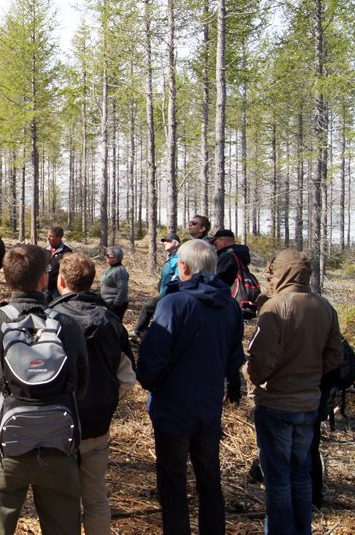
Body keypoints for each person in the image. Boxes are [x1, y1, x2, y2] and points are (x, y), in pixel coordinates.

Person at [0, 244, 87, 534]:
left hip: (5, 448)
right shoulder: (68, 326)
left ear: (6, 278)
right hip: (59, 446)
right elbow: (80, 385)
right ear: (44, 279)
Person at [136, 239, 245, 535]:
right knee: (209, 480)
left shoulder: (174, 302)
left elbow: (152, 358)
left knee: (173, 484)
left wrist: (152, 384)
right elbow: (234, 358)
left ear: (182, 267)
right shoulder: (231, 307)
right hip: (208, 407)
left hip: (173, 408)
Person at [246, 250, 343, 535]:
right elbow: (335, 355)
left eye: (272, 272)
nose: (269, 277)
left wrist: (252, 376)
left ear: (283, 273)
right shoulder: (324, 306)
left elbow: (261, 363)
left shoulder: (275, 307)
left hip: (276, 403)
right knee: (301, 475)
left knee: (278, 479)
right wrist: (310, 373)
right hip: (308, 402)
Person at [51, 252, 135, 535]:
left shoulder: (51, 319)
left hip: (59, 424)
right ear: (91, 282)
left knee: (62, 499)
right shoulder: (112, 322)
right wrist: (108, 400)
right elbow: (127, 377)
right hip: (97, 424)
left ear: (61, 281)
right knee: (96, 496)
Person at [211, 228, 253, 403]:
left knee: (225, 351)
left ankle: (231, 395)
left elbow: (218, 280)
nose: (215, 246)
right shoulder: (240, 255)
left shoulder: (228, 256)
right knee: (232, 349)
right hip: (235, 307)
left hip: (227, 304)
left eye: (216, 242)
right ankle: (233, 394)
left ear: (224, 240)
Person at [133, 233, 180, 338]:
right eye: (164, 241)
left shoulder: (178, 258)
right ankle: (141, 333)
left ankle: (145, 334)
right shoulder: (171, 257)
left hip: (171, 296)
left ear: (176, 243)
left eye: (167, 241)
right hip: (165, 293)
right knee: (149, 307)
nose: (164, 243)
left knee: (153, 311)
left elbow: (178, 277)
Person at [100, 246, 130, 322]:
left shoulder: (120, 271)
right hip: (108, 303)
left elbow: (123, 290)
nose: (105, 257)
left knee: (115, 327)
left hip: (115, 305)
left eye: (108, 255)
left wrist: (116, 304)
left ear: (116, 258)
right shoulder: (110, 268)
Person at [45, 226, 73, 301]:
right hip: (45, 287)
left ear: (59, 237)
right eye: (48, 236)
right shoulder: (45, 250)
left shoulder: (67, 252)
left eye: (51, 236)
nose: (48, 238)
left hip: (58, 289)